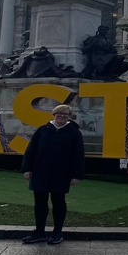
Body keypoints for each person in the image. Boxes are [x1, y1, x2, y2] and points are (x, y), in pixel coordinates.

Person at [21, 104, 85, 244]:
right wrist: (27, 168)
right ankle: (39, 232)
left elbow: (78, 155)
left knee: (58, 203)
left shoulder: (74, 133)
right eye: (59, 113)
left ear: (69, 116)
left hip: (61, 173)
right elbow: (31, 150)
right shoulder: (43, 130)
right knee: (40, 203)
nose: (62, 116)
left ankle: (57, 233)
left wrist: (76, 175)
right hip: (40, 171)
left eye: (65, 114)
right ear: (54, 114)